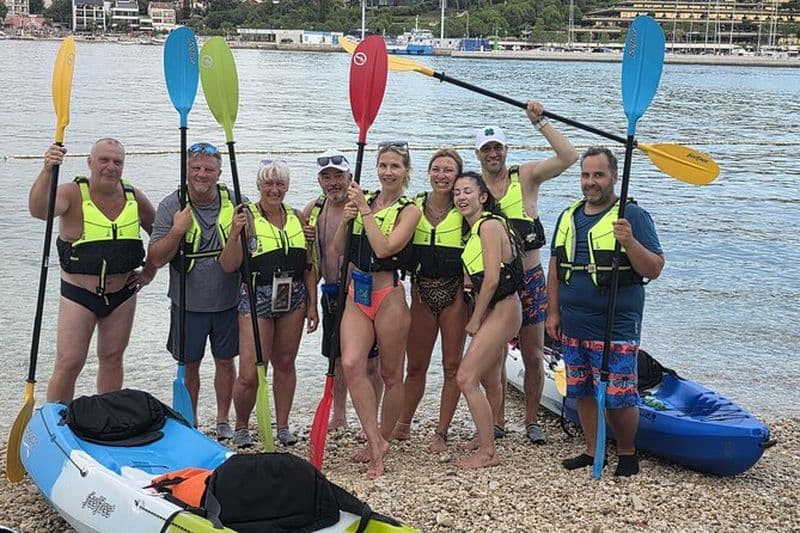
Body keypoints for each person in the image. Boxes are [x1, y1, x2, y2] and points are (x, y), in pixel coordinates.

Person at [545, 147, 665, 477]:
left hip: (616, 323)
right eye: (586, 175)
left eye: (598, 175)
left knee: (619, 395)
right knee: (581, 388)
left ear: (614, 177)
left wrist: (629, 242)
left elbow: (654, 268)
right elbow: (555, 266)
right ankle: (591, 448)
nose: (591, 182)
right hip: (574, 323)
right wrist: (552, 312)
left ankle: (627, 454)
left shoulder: (632, 216)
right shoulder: (568, 216)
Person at [475, 101, 578, 444]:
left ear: (506, 150)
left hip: (530, 281)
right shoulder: (472, 190)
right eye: (486, 149)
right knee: (495, 356)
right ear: (478, 156)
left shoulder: (527, 176)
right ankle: (499, 420)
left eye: (497, 148)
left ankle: (531, 421)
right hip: (495, 287)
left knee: (534, 355)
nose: (493, 154)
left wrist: (541, 122)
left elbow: (569, 157)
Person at [30, 138, 156, 403]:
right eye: (104, 160)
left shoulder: (133, 196)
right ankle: (57, 420)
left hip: (122, 294)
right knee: (69, 362)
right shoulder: (71, 193)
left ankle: (106, 418)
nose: (111, 167)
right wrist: (47, 169)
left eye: (117, 162)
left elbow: (160, 235)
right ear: (90, 162)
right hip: (79, 295)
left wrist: (150, 271)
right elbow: (39, 210)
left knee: (112, 358)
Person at [332, 141, 421, 479]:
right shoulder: (363, 200)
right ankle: (374, 440)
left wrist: (365, 214)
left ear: (406, 171)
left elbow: (385, 248)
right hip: (358, 290)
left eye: (395, 166)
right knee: (352, 363)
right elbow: (340, 248)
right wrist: (347, 218)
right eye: (383, 165)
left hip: (389, 294)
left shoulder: (409, 209)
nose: (387, 172)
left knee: (389, 373)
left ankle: (382, 439)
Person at [219, 159, 319, 448]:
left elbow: (308, 265)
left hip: (294, 296)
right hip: (255, 296)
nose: (274, 189)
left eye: (280, 184)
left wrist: (312, 305)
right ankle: (241, 426)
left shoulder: (299, 217)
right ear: (259, 186)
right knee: (250, 370)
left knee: (285, 364)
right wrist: (235, 234)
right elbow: (228, 265)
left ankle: (283, 426)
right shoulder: (245, 217)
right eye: (269, 184)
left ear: (287, 187)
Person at [148, 142, 239, 440]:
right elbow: (157, 258)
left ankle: (224, 419)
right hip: (188, 303)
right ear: (187, 171)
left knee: (226, 362)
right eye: (196, 168)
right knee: (190, 365)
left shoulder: (237, 201)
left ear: (219, 173)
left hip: (228, 302)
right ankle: (192, 420)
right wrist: (176, 230)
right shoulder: (171, 206)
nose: (202, 174)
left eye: (208, 169)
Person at [393, 148, 468, 453]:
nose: (441, 176)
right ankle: (402, 425)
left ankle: (441, 432)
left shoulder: (466, 210)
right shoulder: (413, 207)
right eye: (437, 169)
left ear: (458, 175)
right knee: (416, 366)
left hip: (455, 296)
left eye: (448, 170)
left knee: (451, 366)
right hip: (421, 291)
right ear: (428, 173)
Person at [303, 149, 382, 432]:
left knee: (371, 362)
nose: (333, 182)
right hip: (332, 291)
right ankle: (339, 413)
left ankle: (371, 415)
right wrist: (312, 305)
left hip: (363, 291)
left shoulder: (366, 205)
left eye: (339, 175)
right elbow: (309, 264)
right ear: (320, 180)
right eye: (327, 177)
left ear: (350, 176)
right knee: (335, 358)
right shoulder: (313, 211)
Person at [453, 171, 523, 469]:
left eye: (468, 191)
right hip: (496, 307)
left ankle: (488, 452)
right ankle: (487, 434)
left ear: (483, 197)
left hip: (503, 308)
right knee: (489, 378)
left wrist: (475, 320)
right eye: (457, 192)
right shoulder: (476, 229)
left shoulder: (490, 226)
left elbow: (493, 279)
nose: (461, 197)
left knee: (465, 377)